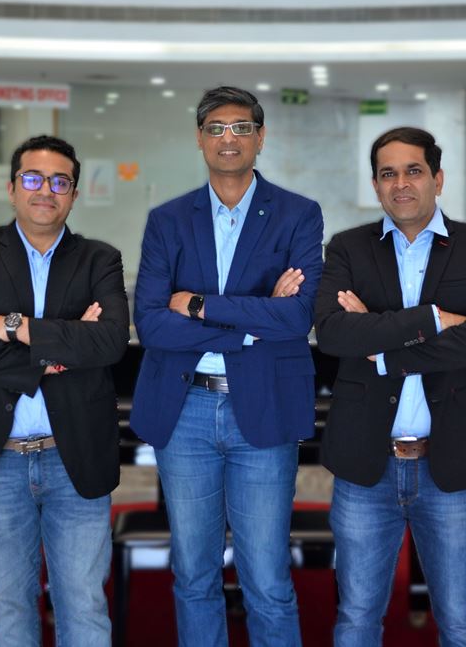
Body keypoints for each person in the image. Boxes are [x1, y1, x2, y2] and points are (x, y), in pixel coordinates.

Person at [130, 85, 324, 647]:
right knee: (194, 574)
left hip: (264, 406)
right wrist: (253, 323)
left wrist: (198, 304)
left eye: (241, 127)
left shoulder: (298, 214)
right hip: (185, 409)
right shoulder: (167, 220)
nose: (228, 138)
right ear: (199, 139)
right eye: (216, 128)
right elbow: (152, 324)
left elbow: (297, 317)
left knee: (267, 578)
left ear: (261, 137)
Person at [315, 126, 466, 646]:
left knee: (462, 619)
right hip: (366, 464)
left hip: (452, 463)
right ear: (376, 185)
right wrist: (434, 319)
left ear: (437, 179)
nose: (400, 183)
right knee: (356, 617)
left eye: (413, 171)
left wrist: (382, 348)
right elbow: (333, 333)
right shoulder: (348, 249)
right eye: (388, 174)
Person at [0, 135, 130, 647]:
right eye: (33, 178)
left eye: (60, 181)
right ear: (12, 188)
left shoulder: (100, 259)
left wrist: (12, 325)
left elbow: (110, 341)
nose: (46, 190)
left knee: (84, 603)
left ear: (74, 194)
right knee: (9, 604)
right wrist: (56, 352)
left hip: (74, 455)